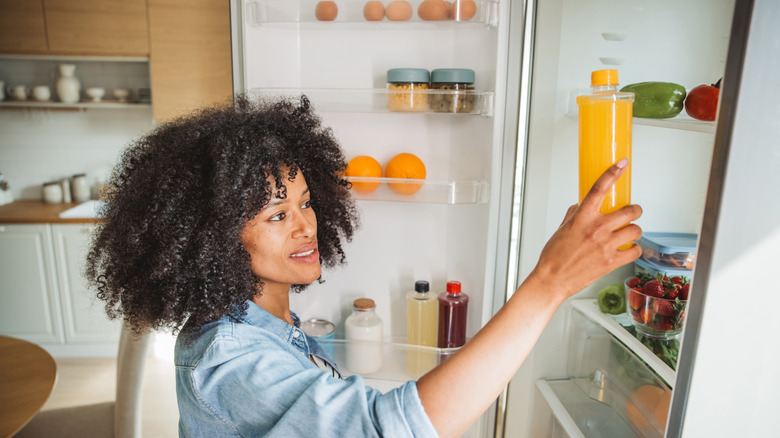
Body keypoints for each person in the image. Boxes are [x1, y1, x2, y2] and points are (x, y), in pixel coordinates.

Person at [86, 94, 642, 438]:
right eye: (277, 215)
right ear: (213, 234)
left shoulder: (263, 324)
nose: (307, 226)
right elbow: (386, 430)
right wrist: (548, 284)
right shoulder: (229, 358)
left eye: (305, 202)